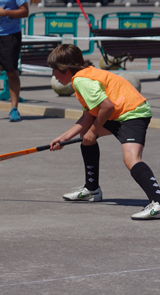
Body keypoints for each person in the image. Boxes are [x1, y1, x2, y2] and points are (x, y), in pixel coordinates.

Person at [47, 44, 160, 220]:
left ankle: (158, 202)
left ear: (65, 69)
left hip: (132, 113)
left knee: (131, 159)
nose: (53, 74)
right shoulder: (86, 74)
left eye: (54, 70)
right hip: (121, 113)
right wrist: (62, 138)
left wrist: (93, 130)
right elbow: (88, 117)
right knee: (86, 139)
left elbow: (107, 107)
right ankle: (92, 190)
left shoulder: (81, 81)